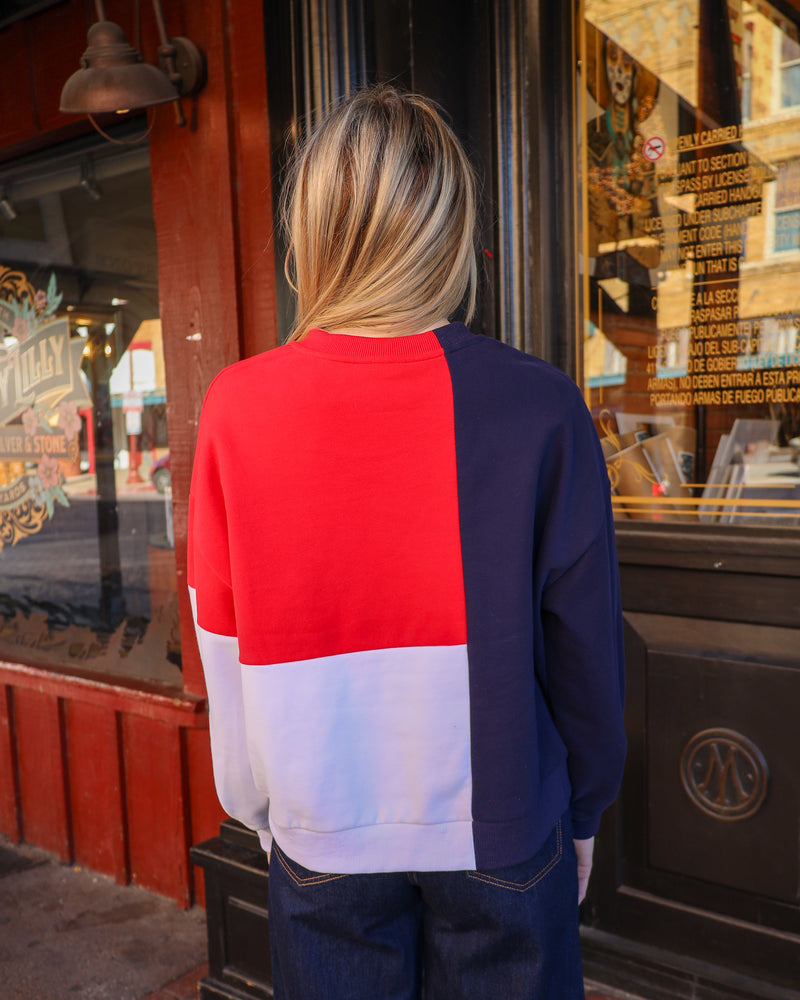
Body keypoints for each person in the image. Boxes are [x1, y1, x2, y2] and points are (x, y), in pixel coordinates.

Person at [188, 84, 626, 1000]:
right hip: (506, 815)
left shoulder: (238, 406)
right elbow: (585, 642)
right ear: (451, 230)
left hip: (320, 819)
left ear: (314, 231)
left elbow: (219, 636)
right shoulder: (542, 404)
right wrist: (584, 810)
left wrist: (259, 809)